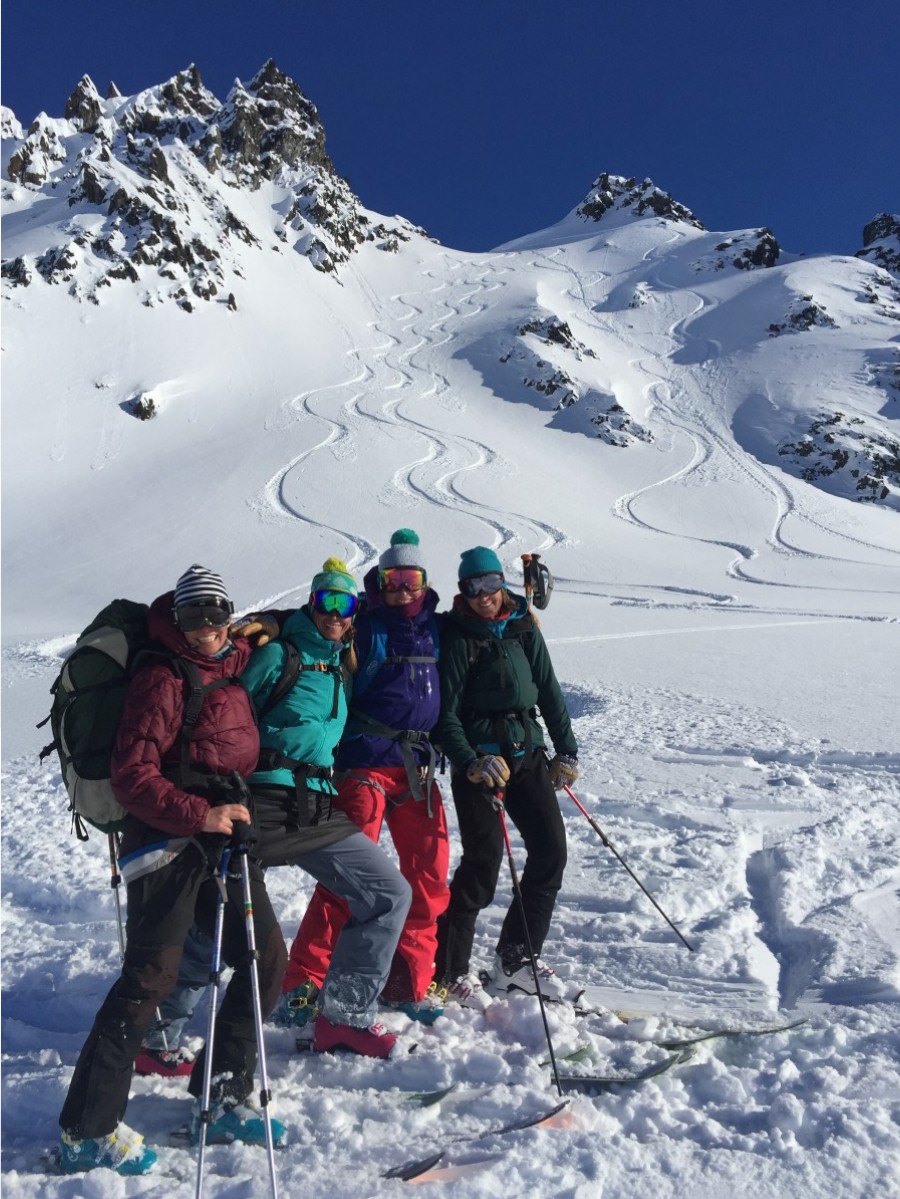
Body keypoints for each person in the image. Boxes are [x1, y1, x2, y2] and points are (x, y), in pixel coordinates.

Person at [58, 566, 288, 1176]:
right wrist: (202, 814)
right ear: (177, 620)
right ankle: (86, 1130)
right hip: (166, 843)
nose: (207, 630)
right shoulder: (160, 677)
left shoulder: (230, 661)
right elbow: (134, 776)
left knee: (264, 959)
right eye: (194, 618)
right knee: (148, 981)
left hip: (224, 838)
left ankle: (225, 1090)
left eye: (217, 616)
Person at [240, 557, 412, 1058]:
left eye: (345, 603)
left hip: (318, 805)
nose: (335, 612)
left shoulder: (344, 663)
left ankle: (344, 1017)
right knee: (217, 916)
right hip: (264, 799)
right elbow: (227, 720)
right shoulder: (278, 657)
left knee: (388, 892)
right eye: (325, 602)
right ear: (310, 604)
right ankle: (160, 1035)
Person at [284, 530, 453, 1023]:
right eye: (392, 578)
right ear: (377, 581)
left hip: (417, 770)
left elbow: (482, 623)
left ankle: (406, 982)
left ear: (424, 581)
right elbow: (315, 625)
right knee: (349, 879)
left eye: (410, 577)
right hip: (365, 767)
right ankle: (303, 984)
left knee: (428, 879)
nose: (401, 588)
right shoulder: (362, 624)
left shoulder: (437, 630)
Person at [432, 547, 580, 1002]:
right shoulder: (456, 636)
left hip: (527, 752)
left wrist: (566, 751)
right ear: (463, 591)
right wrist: (469, 760)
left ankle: (516, 958)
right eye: (473, 588)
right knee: (484, 861)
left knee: (551, 851)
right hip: (481, 763)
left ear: (502, 582)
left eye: (492, 584)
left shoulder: (521, 627)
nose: (484, 596)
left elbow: (549, 691)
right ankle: (449, 969)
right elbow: (446, 714)